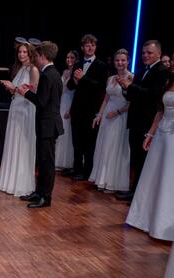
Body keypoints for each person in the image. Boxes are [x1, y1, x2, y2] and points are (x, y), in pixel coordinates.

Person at [126, 73, 174, 278]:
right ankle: (146, 218)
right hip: (162, 134)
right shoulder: (169, 82)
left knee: (168, 179)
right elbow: (160, 111)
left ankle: (163, 225)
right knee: (153, 177)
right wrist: (150, 133)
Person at [116, 40, 169, 202]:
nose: (145, 55)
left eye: (149, 53)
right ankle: (133, 190)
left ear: (159, 53)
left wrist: (130, 86)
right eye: (143, 53)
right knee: (136, 159)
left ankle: (140, 195)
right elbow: (132, 96)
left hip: (148, 121)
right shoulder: (140, 71)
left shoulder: (162, 72)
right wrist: (125, 89)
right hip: (135, 120)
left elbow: (153, 95)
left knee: (144, 160)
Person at [17, 41, 63, 208]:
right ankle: (39, 192)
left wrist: (25, 93)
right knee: (43, 162)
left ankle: (46, 197)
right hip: (48, 125)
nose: (35, 58)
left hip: (48, 126)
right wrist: (33, 90)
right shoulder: (53, 73)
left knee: (47, 163)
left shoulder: (47, 75)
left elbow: (42, 102)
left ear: (43, 56)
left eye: (36, 56)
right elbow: (47, 97)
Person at [0, 41, 39, 196]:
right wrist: (10, 88)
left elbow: (33, 94)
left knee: (22, 145)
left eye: (24, 52)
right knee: (13, 143)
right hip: (15, 108)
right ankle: (10, 181)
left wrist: (14, 88)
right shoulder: (19, 68)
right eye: (20, 52)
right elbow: (16, 91)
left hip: (25, 110)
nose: (21, 54)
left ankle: (21, 183)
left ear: (30, 53)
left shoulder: (34, 70)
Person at [88, 49, 132, 192]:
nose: (120, 63)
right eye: (117, 60)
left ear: (128, 61)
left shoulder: (131, 77)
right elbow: (106, 99)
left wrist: (117, 112)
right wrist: (99, 114)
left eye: (123, 60)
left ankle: (112, 182)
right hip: (107, 116)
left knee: (114, 148)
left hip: (120, 116)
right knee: (104, 146)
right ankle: (102, 179)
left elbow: (131, 103)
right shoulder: (111, 78)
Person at [66, 34, 108, 181]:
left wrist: (83, 78)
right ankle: (76, 169)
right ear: (82, 47)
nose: (90, 47)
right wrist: (75, 80)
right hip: (77, 108)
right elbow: (70, 86)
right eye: (87, 45)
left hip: (91, 109)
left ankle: (87, 171)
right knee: (76, 141)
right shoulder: (77, 64)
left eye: (92, 45)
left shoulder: (101, 65)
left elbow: (101, 87)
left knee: (89, 142)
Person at [56, 50, 78, 172]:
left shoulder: (76, 73)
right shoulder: (64, 71)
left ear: (76, 59)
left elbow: (76, 93)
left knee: (68, 132)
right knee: (60, 131)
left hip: (70, 103)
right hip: (61, 103)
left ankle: (67, 161)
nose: (69, 60)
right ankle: (58, 160)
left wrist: (70, 110)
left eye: (72, 57)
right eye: (67, 57)